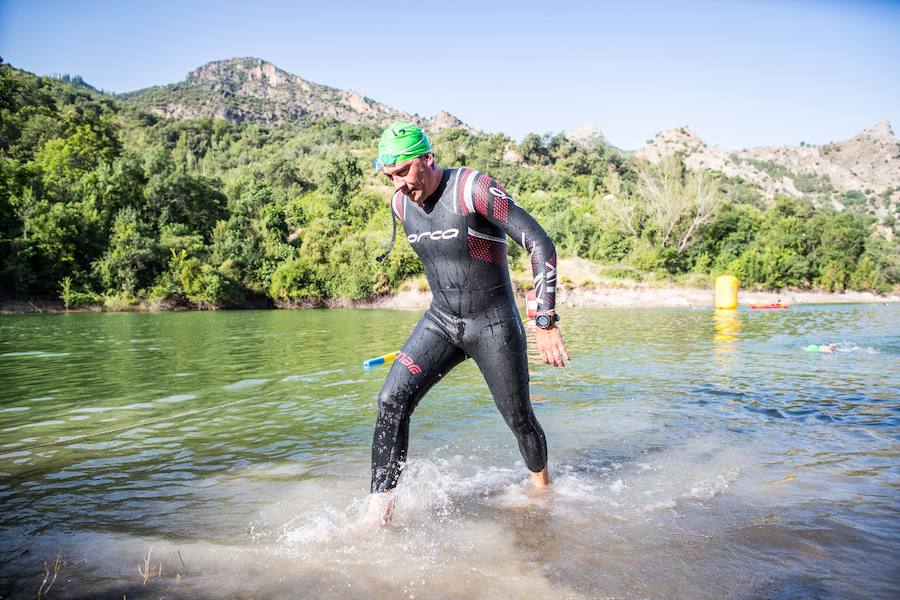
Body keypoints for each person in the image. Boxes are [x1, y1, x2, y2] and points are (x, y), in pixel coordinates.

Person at [365, 123, 570, 526]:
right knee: (391, 401)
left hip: (492, 324)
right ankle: (378, 518)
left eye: (405, 171)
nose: (400, 184)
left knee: (519, 418)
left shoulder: (472, 189)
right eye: (390, 177)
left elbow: (539, 243)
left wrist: (544, 319)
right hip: (442, 321)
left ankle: (542, 492)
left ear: (427, 158)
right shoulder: (400, 204)